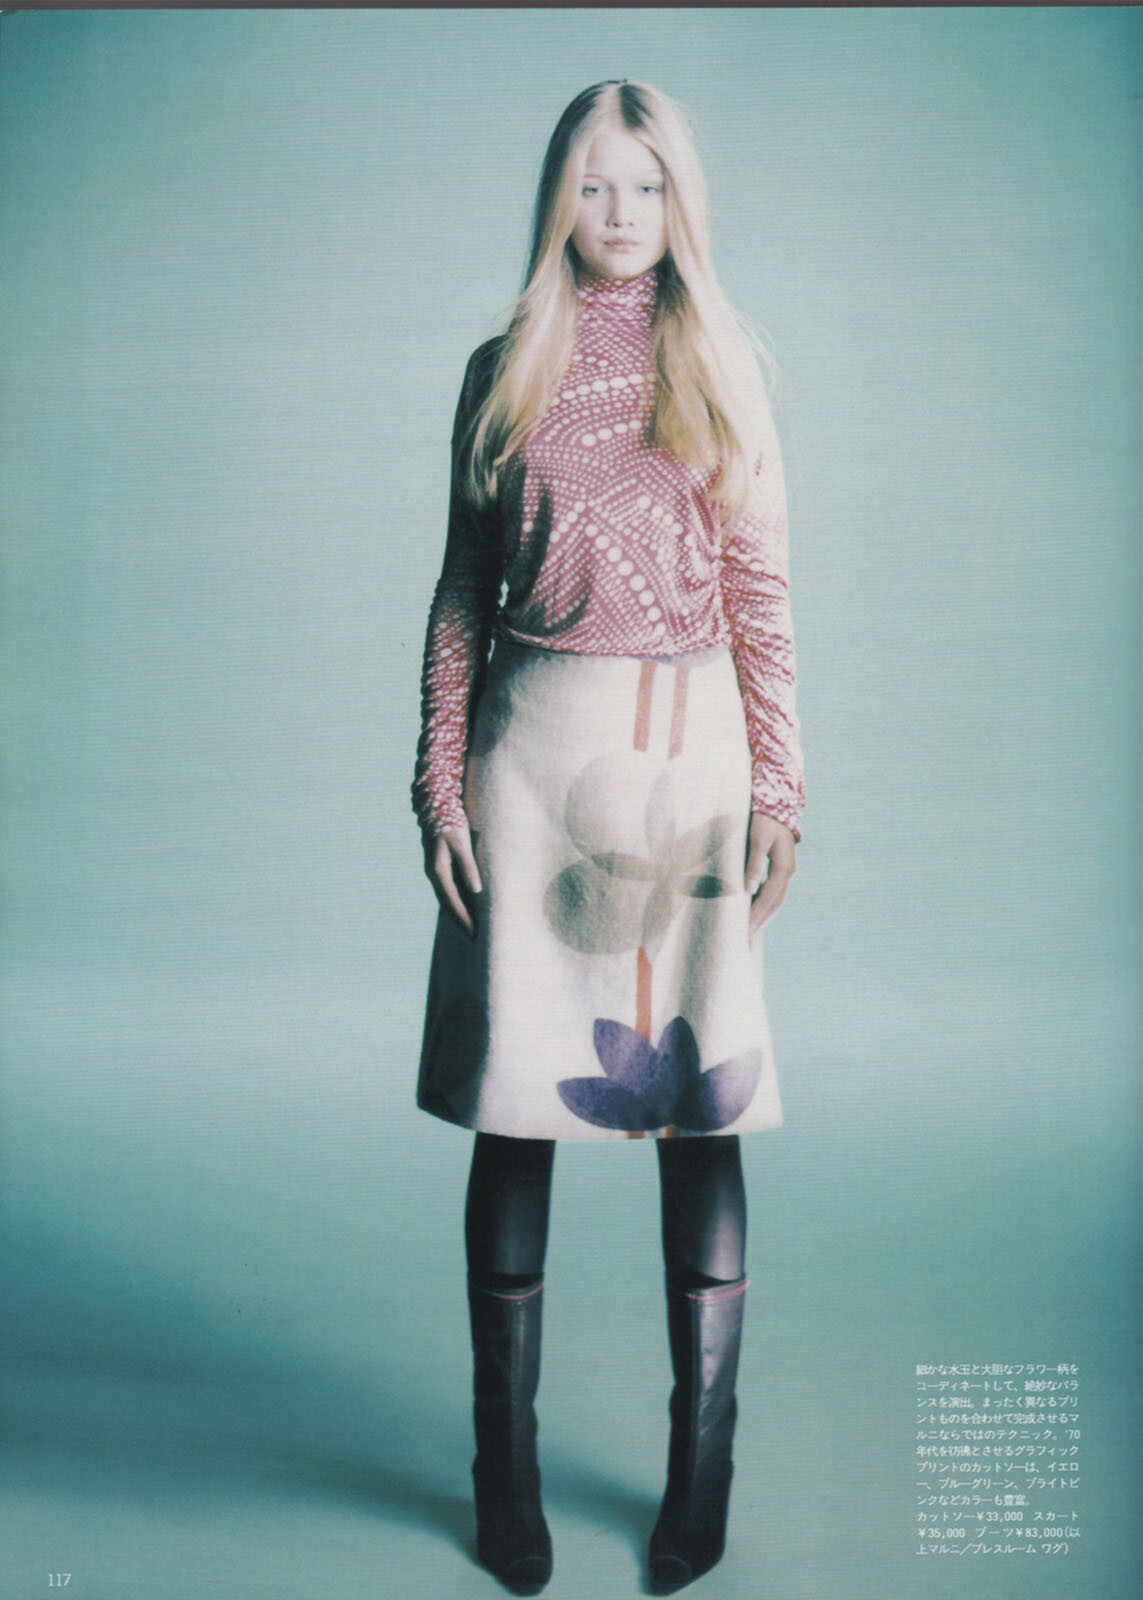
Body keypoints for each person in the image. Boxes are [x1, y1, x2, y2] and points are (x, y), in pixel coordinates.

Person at [411, 79, 805, 1597]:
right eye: (593, 184)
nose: (621, 213)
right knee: (520, 1106)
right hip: (529, 762)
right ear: (557, 203)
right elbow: (462, 589)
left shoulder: (725, 363)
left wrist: (784, 789)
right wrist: (436, 779)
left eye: (646, 185)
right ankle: (500, 1476)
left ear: (679, 202)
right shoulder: (503, 365)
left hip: (687, 764)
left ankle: (703, 1475)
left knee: (696, 1106)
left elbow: (761, 591)